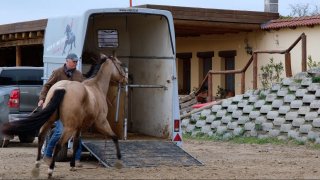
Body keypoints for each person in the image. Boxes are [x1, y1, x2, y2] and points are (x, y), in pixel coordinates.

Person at [38, 53, 84, 167]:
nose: (75, 63)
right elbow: (47, 86)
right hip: (58, 109)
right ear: (67, 61)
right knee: (59, 131)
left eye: (76, 61)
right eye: (73, 61)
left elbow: (84, 90)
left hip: (73, 111)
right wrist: (42, 99)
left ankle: (77, 159)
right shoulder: (58, 72)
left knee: (78, 134)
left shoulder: (79, 75)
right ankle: (47, 154)